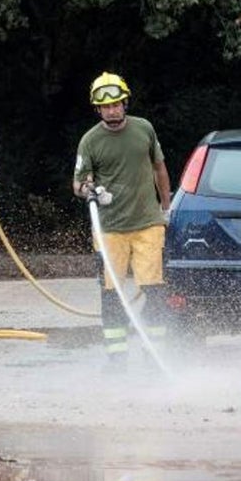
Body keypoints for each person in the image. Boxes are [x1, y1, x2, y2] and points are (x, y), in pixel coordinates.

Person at [72, 72, 172, 364]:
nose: (112, 111)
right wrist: (91, 191)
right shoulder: (90, 141)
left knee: (154, 290)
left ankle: (154, 354)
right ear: (98, 109)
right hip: (109, 229)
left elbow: (159, 169)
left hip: (147, 224)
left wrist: (166, 208)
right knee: (112, 293)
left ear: (125, 103)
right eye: (106, 106)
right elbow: (78, 184)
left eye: (116, 104)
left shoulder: (144, 129)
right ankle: (117, 357)